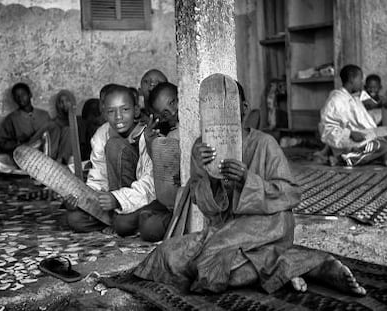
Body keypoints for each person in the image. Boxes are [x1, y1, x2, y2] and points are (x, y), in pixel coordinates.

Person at [134, 77, 366, 296]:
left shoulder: (264, 143)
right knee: (167, 255)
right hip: (225, 231)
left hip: (266, 225)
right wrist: (210, 176)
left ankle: (311, 264)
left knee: (210, 264)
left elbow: (290, 194)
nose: (221, 115)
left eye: (229, 107)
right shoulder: (201, 148)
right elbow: (204, 205)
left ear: (243, 108)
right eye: (212, 109)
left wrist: (248, 180)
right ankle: (289, 265)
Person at [65, 84, 168, 242]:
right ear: (104, 113)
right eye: (111, 111)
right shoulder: (102, 133)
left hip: (141, 198)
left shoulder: (148, 134)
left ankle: (122, 221)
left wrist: (117, 199)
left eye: (125, 110)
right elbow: (98, 175)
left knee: (115, 146)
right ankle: (120, 222)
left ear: (136, 110)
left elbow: (151, 184)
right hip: (113, 201)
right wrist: (83, 200)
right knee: (74, 219)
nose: (118, 117)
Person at [319, 64, 387, 166]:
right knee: (382, 146)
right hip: (346, 143)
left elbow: (361, 122)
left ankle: (375, 157)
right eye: (360, 79)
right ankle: (341, 159)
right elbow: (326, 130)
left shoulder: (353, 98)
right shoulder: (336, 100)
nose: (362, 83)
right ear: (351, 79)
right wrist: (349, 134)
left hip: (362, 138)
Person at [0, 82, 51, 173]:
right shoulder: (12, 119)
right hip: (25, 156)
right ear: (14, 99)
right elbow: (0, 143)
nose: (20, 98)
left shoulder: (44, 115)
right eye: (17, 96)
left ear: (30, 95)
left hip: (46, 155)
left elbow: (53, 137)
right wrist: (18, 143)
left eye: (23, 94)